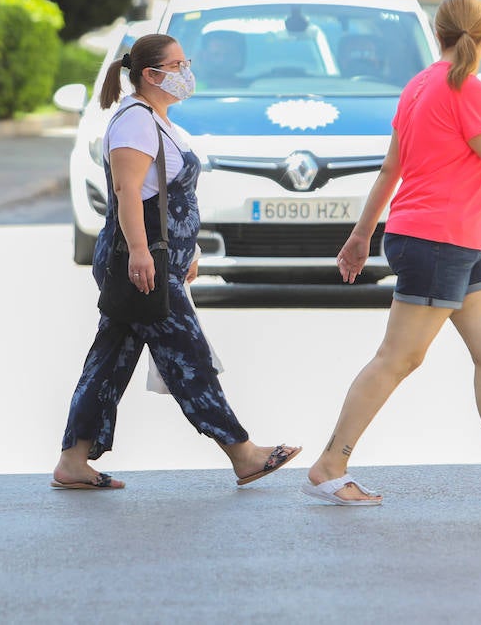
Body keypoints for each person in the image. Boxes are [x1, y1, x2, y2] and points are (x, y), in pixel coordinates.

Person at [305, 0, 481, 506]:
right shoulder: (468, 90)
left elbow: (390, 169)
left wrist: (362, 235)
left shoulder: (418, 86)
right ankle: (330, 465)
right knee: (398, 358)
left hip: (453, 241)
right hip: (439, 240)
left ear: (438, 34)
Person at [53, 33, 301, 490]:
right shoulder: (135, 121)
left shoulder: (156, 119)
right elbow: (127, 191)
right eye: (178, 65)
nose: (187, 72)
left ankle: (73, 460)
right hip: (141, 262)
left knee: (109, 361)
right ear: (151, 75)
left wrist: (190, 248)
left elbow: (167, 195)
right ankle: (243, 453)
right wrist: (142, 252)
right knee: (188, 356)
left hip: (156, 258)